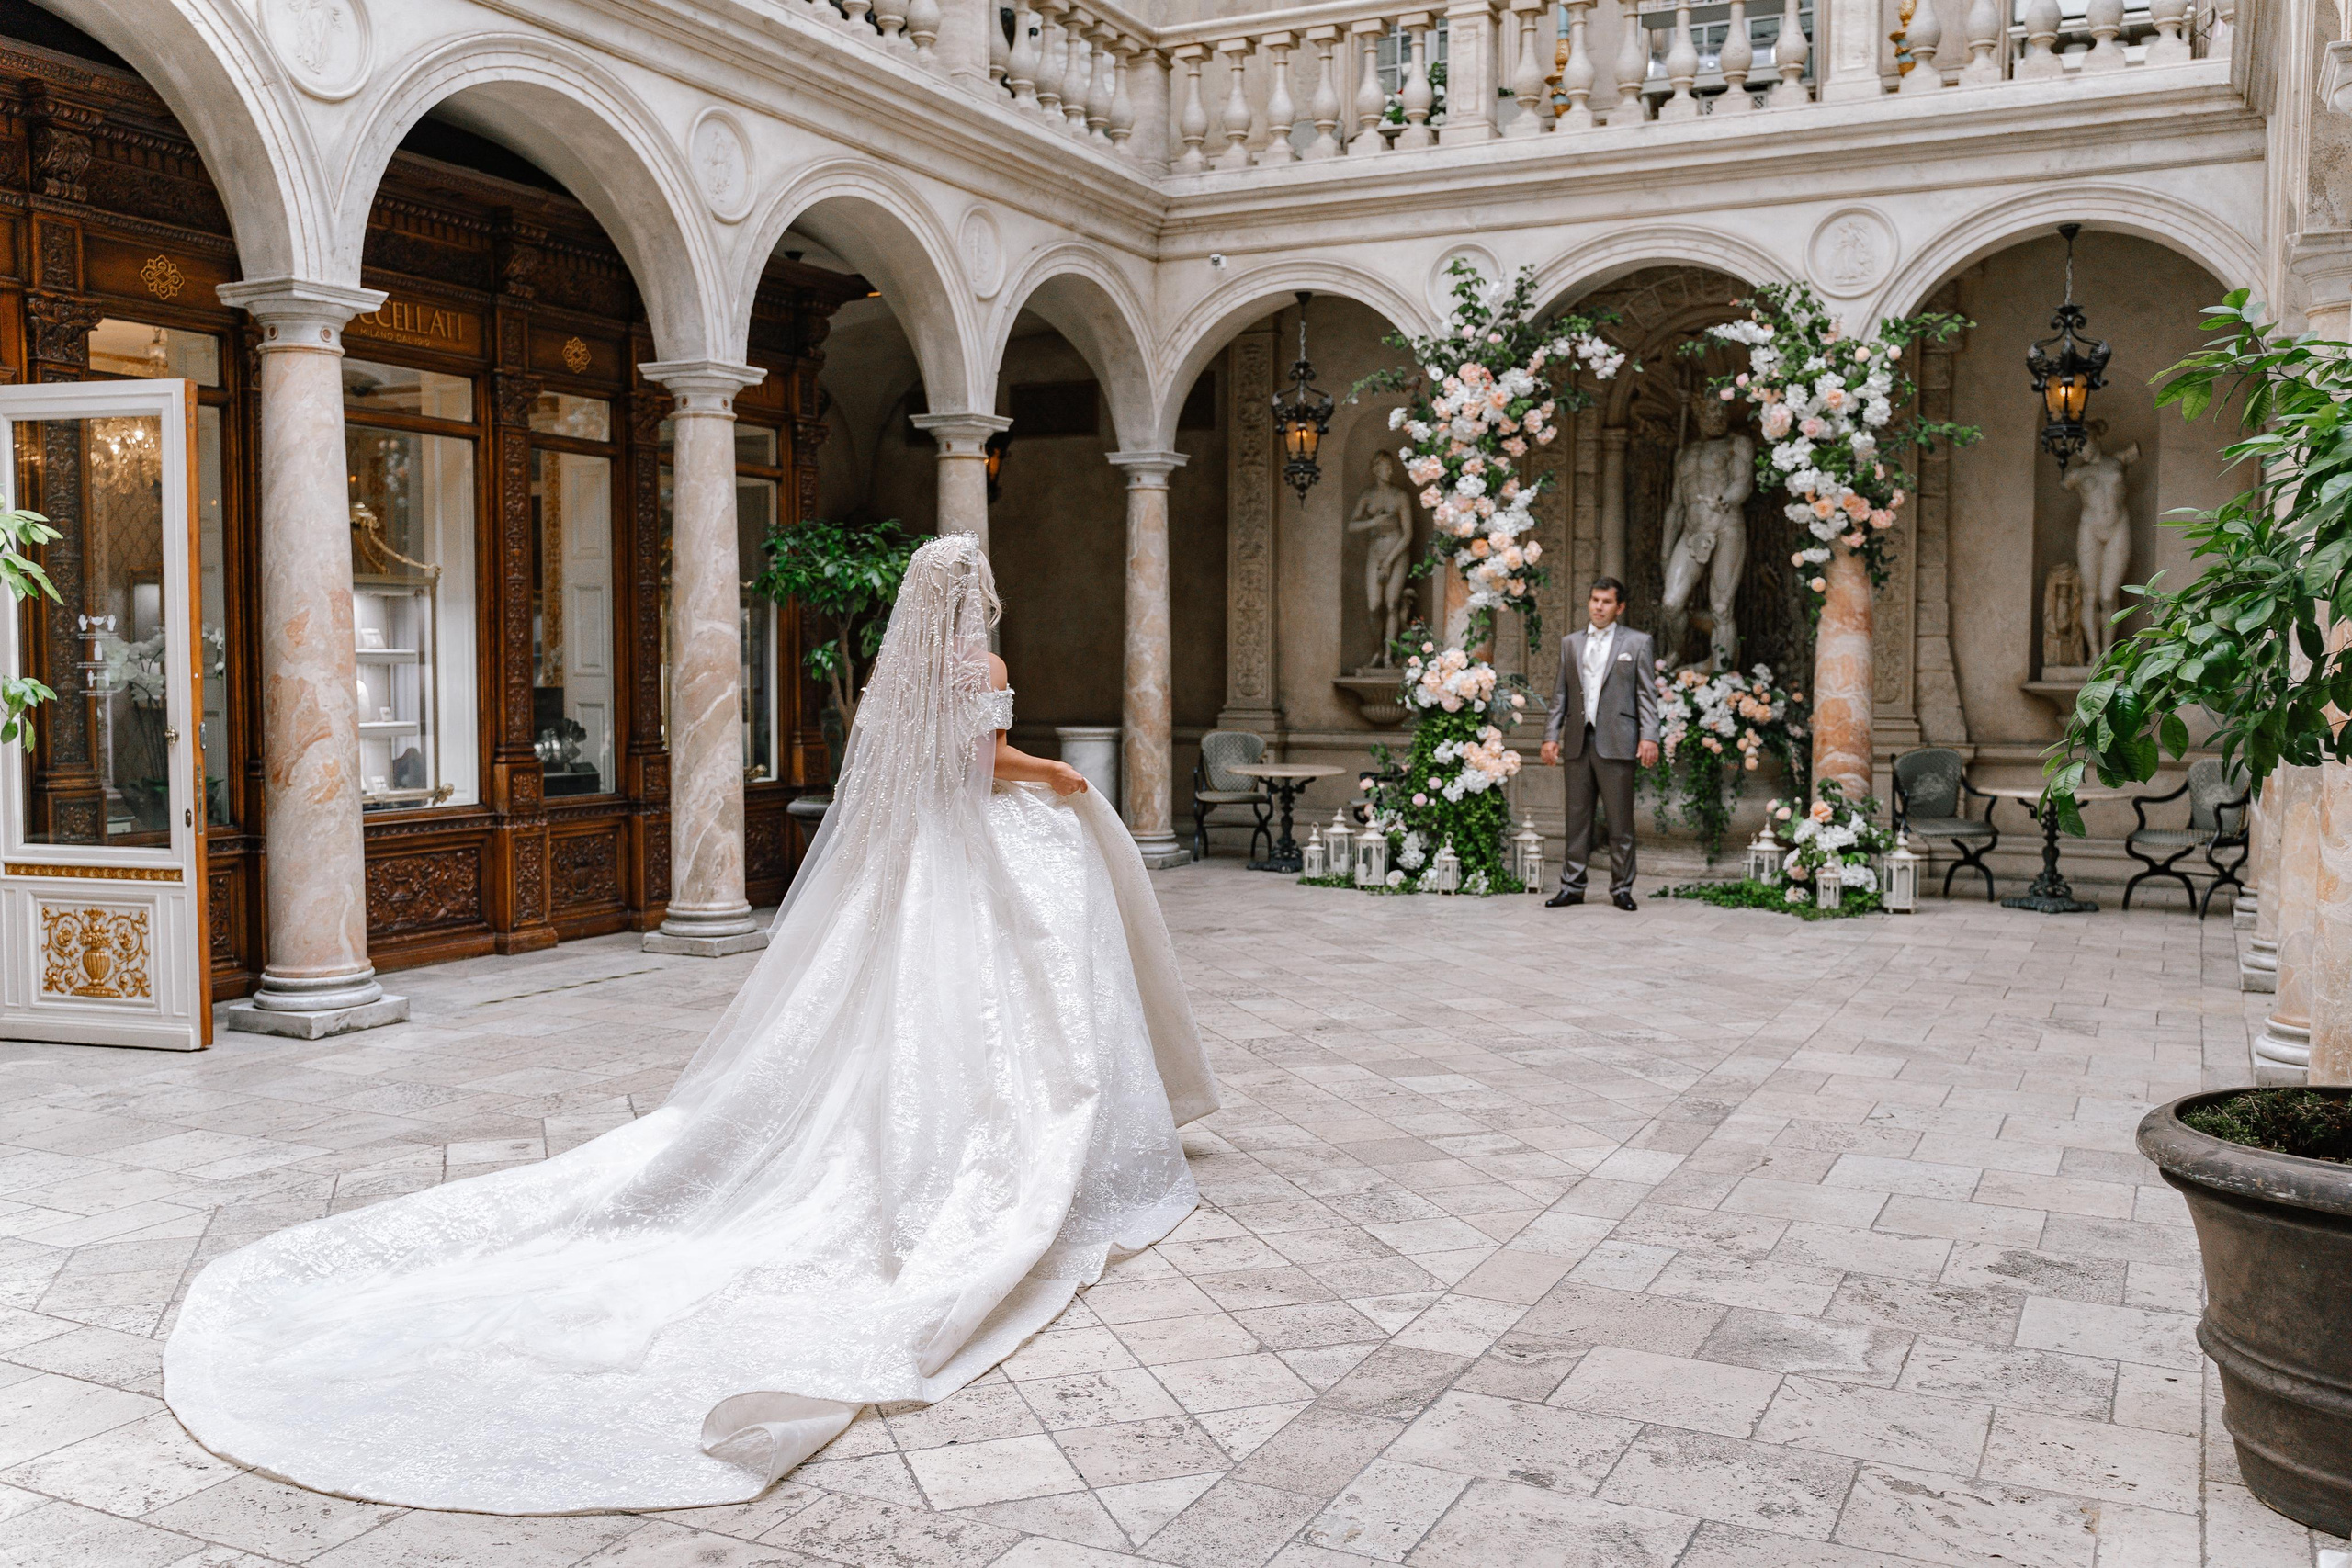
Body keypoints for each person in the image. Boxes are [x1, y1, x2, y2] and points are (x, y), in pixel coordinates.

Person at [164, 534, 1218, 1515]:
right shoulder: (977, 675)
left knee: (890, 1015)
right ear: (971, 599)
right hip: (972, 855)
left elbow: (908, 770)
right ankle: (1005, 1147)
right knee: (1002, 1007)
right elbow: (979, 767)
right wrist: (1056, 775)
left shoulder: (896, 682)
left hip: (918, 872)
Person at [1539, 578, 1660, 910]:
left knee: (1620, 821)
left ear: (1619, 607)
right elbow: (1559, 695)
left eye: (1606, 602)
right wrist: (1552, 736)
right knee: (1576, 818)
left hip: (1618, 740)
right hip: (1579, 739)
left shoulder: (1637, 643)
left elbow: (1647, 695)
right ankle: (1572, 886)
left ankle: (1622, 888)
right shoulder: (1571, 643)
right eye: (1594, 600)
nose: (1598, 607)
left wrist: (1649, 736)